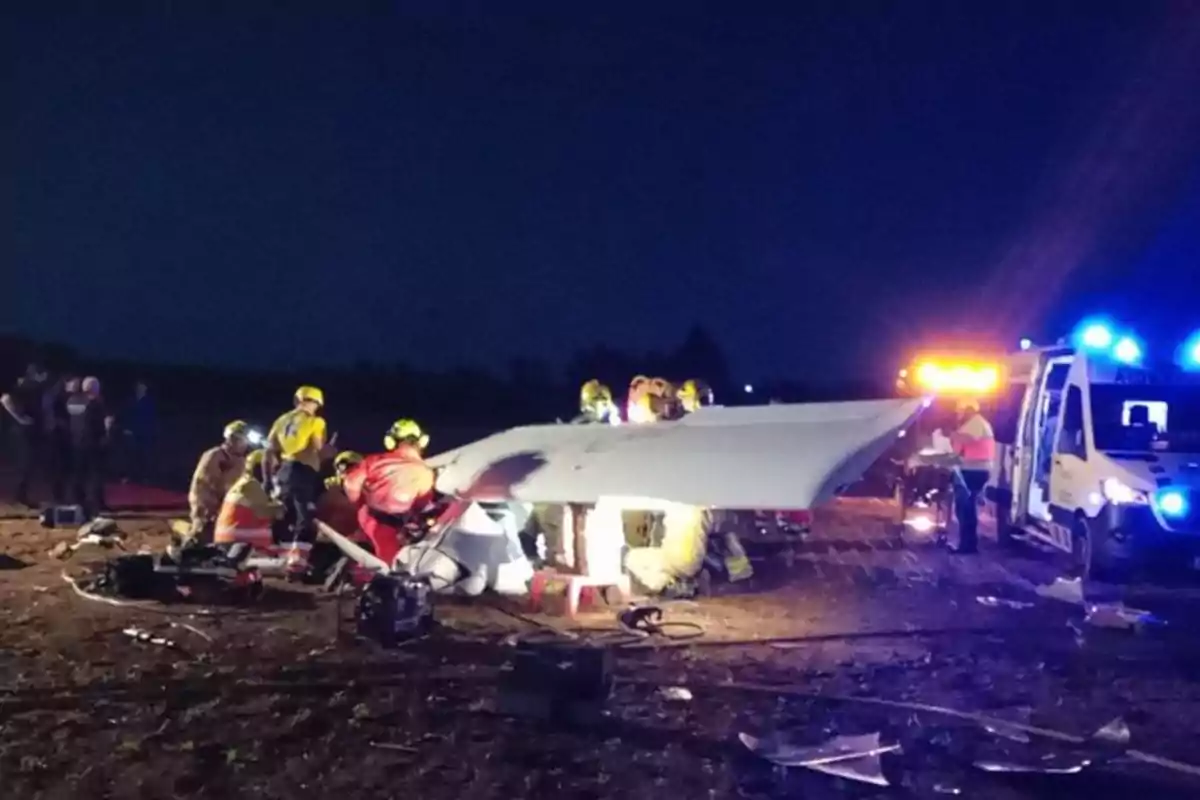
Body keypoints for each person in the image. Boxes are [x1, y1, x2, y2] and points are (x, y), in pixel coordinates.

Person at [342, 419, 438, 568]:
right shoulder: (426, 471)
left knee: (385, 557)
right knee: (390, 558)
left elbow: (351, 484)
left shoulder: (375, 461)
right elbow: (422, 503)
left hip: (373, 518)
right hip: (402, 524)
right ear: (422, 441)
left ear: (391, 441)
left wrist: (358, 504)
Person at [265, 385, 329, 577]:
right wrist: (329, 452)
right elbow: (318, 448)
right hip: (303, 472)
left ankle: (285, 563)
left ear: (296, 400)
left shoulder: (281, 421)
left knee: (287, 517)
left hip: (283, 472)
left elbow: (269, 452)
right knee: (305, 517)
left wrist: (268, 480)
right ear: (317, 403)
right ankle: (298, 565)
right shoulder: (315, 422)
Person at [187, 420, 251, 543]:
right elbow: (202, 482)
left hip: (227, 505)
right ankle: (188, 553)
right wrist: (207, 506)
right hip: (208, 504)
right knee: (201, 534)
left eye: (243, 440)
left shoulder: (242, 461)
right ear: (230, 439)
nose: (242, 443)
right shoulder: (215, 455)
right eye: (238, 439)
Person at [949, 398, 996, 554]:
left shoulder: (975, 423)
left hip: (972, 471)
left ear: (967, 410)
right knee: (966, 508)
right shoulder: (978, 423)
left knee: (965, 509)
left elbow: (963, 442)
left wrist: (951, 435)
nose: (958, 415)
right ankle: (967, 544)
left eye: (960, 412)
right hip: (975, 470)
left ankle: (968, 546)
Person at [214, 450, 282, 554]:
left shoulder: (242, 483)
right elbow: (264, 512)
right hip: (242, 543)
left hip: (228, 540)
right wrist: (283, 507)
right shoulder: (252, 485)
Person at [66, 377, 116, 517]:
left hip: (76, 442)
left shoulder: (72, 401)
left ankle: (77, 501)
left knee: (78, 473)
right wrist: (107, 434)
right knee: (96, 474)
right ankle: (97, 503)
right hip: (94, 442)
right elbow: (107, 420)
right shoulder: (96, 402)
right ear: (95, 388)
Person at [2, 362, 50, 507]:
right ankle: (16, 497)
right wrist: (20, 418)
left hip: (32, 430)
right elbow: (5, 399)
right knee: (23, 464)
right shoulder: (21, 387)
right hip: (21, 432)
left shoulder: (35, 389)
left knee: (30, 465)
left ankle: (21, 496)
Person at [122, 380, 156, 483]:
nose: (140, 389)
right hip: (131, 432)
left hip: (144, 433)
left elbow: (151, 418)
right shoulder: (130, 400)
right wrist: (126, 428)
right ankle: (128, 475)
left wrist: (150, 431)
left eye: (142, 387)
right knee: (130, 455)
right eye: (138, 387)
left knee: (144, 456)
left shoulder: (149, 402)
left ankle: (144, 477)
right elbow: (126, 414)